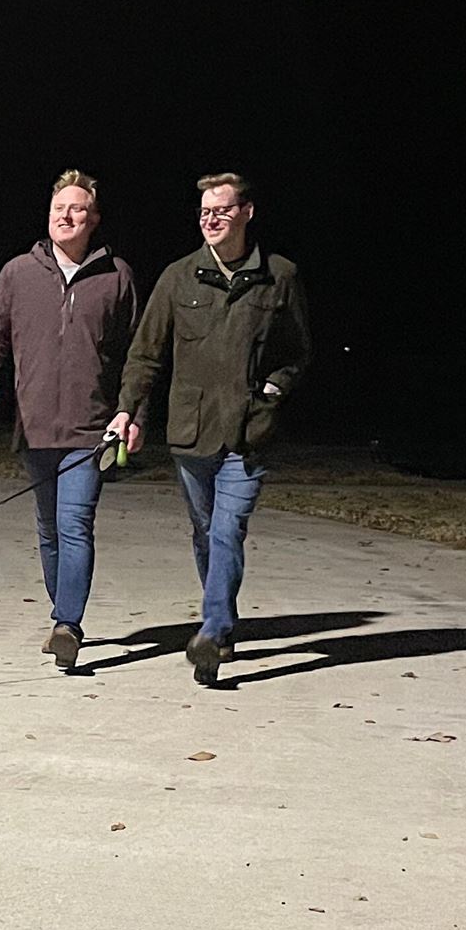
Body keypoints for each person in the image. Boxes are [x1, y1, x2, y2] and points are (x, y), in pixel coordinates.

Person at [117, 173, 311, 685]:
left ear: (247, 212)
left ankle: (212, 631)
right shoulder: (178, 278)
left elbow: (296, 352)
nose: (211, 219)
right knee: (206, 533)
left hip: (248, 431)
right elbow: (145, 354)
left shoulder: (280, 276)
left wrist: (274, 389)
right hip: (191, 430)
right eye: (205, 211)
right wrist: (127, 409)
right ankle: (221, 624)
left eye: (222, 210)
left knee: (227, 530)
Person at [0, 169, 143, 669]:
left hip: (93, 428)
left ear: (94, 218)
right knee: (48, 529)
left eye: (76, 209)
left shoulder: (117, 276)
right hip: (35, 426)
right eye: (58, 209)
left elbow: (139, 354)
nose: (65, 217)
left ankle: (68, 624)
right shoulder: (18, 273)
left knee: (74, 523)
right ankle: (60, 614)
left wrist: (132, 411)